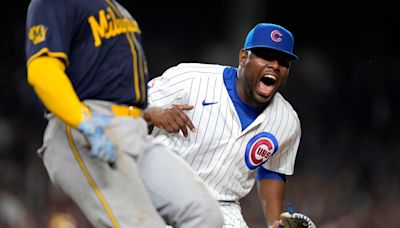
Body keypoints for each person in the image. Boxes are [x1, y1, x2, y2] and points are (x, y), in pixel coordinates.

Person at [25, 0, 224, 227]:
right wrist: (83, 121)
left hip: (135, 131)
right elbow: (42, 70)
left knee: (205, 215)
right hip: (89, 128)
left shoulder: (114, 7)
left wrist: (146, 113)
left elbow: (115, 86)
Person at [145, 23, 303, 227]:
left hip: (223, 206)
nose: (275, 65)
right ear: (243, 58)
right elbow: (122, 105)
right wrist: (153, 113)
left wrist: (274, 223)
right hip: (160, 192)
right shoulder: (189, 78)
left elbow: (272, 170)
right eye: (265, 56)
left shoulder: (286, 120)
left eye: (283, 62)